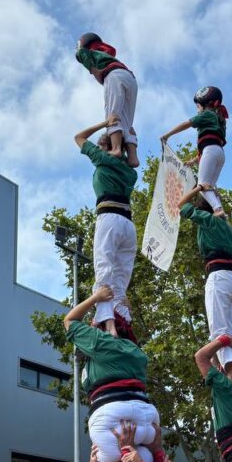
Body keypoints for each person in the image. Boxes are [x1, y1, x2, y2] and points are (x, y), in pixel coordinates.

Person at [63, 285, 159, 462]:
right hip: (148, 420)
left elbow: (69, 321)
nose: (91, 324)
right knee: (144, 461)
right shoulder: (136, 351)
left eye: (94, 322)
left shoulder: (100, 342)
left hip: (112, 418)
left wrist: (96, 298)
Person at [74, 115, 139, 337]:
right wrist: (129, 141)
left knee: (104, 272)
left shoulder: (103, 159)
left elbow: (79, 137)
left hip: (110, 218)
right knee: (120, 280)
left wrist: (106, 124)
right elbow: (133, 159)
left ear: (105, 147)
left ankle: (109, 324)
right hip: (128, 224)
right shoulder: (130, 171)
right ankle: (124, 323)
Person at [178, 184, 232, 382]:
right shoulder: (226, 227)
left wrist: (199, 187)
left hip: (219, 277)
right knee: (229, 332)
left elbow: (181, 205)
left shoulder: (209, 221)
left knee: (220, 331)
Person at [162, 86, 229, 216]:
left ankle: (218, 209)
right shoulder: (219, 119)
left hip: (210, 151)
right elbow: (211, 145)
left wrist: (167, 135)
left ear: (204, 104)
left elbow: (186, 124)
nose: (197, 110)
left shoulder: (207, 114)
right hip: (219, 153)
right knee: (209, 187)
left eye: (198, 107)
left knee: (202, 186)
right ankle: (219, 211)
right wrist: (192, 162)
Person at [76, 33, 139, 167]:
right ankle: (132, 157)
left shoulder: (89, 53)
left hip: (113, 75)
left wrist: (89, 65)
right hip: (130, 78)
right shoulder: (106, 53)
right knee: (126, 122)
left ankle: (116, 149)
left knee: (112, 114)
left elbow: (82, 55)